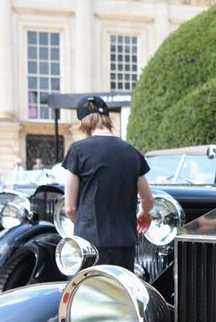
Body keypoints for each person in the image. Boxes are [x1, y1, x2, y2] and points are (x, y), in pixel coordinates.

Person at [61, 95, 152, 269]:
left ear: (83, 122)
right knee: (120, 286)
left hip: (89, 244)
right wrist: (143, 213)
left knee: (90, 287)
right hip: (125, 243)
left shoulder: (77, 151)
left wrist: (84, 226)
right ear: (107, 118)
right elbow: (147, 198)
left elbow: (70, 208)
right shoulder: (131, 151)